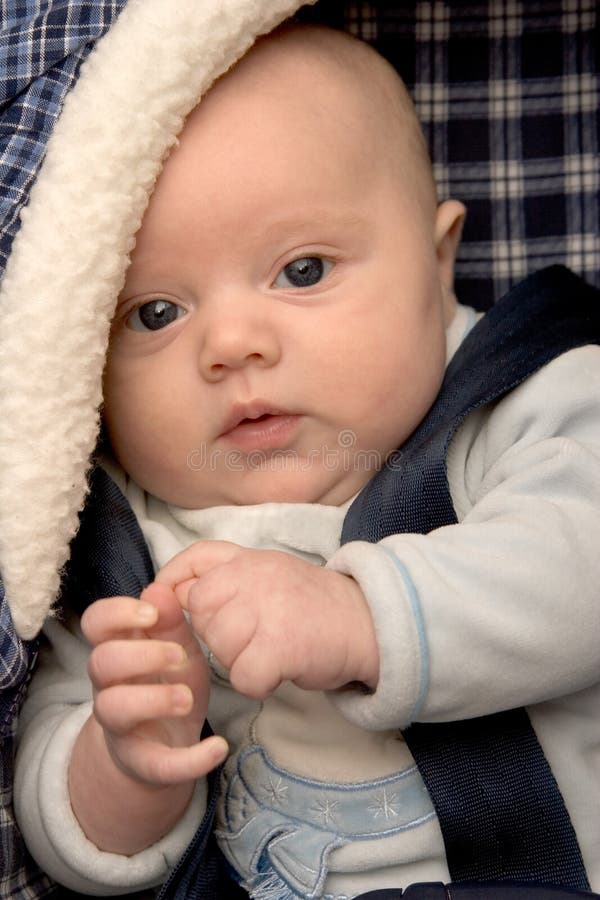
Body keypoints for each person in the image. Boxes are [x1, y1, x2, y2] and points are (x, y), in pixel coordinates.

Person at [13, 22, 600, 900]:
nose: (233, 344)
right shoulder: (123, 543)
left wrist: (358, 615)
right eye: (156, 315)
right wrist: (125, 764)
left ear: (438, 267)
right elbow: (62, 821)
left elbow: (581, 563)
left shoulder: (521, 400)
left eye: (303, 269)